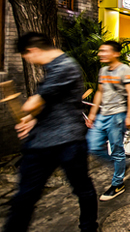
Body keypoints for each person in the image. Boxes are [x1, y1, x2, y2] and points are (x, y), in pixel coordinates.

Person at [5, 33, 98, 232]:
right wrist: (33, 119)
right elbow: (52, 102)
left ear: (33, 50)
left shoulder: (65, 66)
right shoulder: (55, 68)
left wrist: (27, 109)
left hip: (67, 141)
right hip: (44, 141)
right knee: (26, 195)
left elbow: (34, 103)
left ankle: (89, 227)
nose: (30, 62)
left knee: (82, 189)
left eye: (27, 58)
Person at [86, 40, 130, 201]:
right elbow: (100, 91)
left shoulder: (124, 70)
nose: (101, 54)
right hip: (103, 114)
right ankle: (121, 165)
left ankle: (117, 183)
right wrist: (93, 113)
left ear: (116, 53)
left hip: (118, 114)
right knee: (92, 145)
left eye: (105, 51)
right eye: (101, 51)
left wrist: (129, 115)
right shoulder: (103, 70)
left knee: (117, 149)